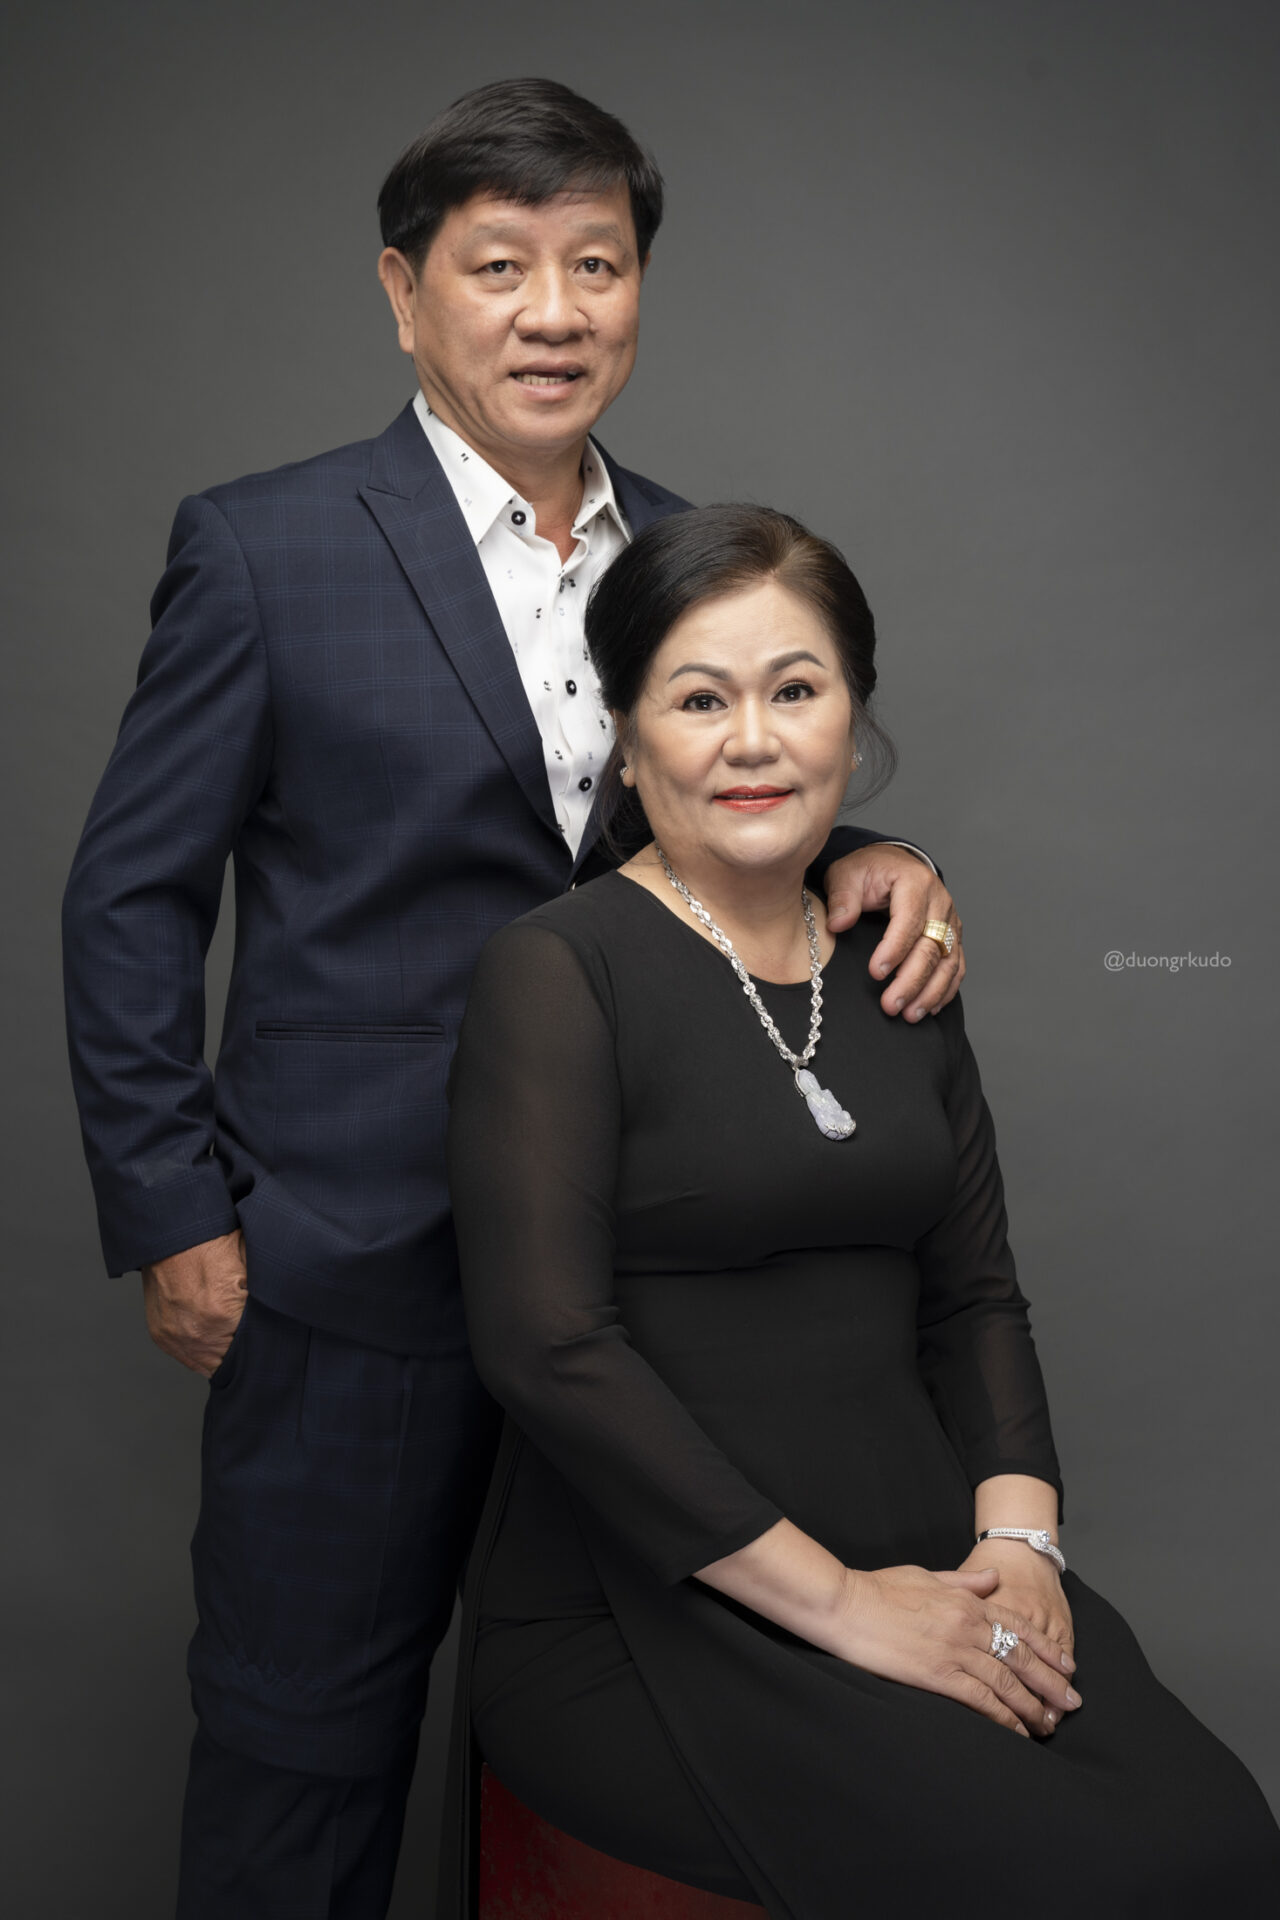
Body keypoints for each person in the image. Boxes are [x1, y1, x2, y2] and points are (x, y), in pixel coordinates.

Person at [59, 81, 963, 1919]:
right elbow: (130, 895)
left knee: (616, 1746)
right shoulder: (266, 547)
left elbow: (731, 792)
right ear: (405, 294)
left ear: (639, 291)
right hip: (346, 1260)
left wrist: (876, 854)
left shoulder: (697, 557)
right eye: (499, 268)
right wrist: (172, 1211)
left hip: (641, 1277)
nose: (555, 312)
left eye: (597, 266)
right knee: (305, 1740)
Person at [442, 503, 1280, 1918]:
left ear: (854, 716)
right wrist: (844, 1606)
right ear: (628, 741)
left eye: (796, 690)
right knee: (1055, 1877)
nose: (752, 741)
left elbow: (976, 1293)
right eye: (698, 700)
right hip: (658, 1597)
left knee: (1220, 1842)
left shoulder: (897, 952)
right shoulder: (558, 970)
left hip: (930, 1546)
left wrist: (1021, 1547)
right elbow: (547, 1346)